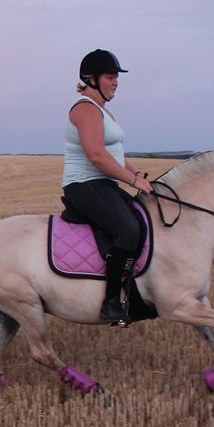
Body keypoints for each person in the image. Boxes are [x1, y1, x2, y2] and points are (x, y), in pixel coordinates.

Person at [61, 48, 152, 325]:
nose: (116, 82)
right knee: (129, 229)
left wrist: (142, 177)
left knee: (143, 220)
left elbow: (115, 157)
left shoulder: (103, 110)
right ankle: (111, 301)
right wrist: (133, 181)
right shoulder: (85, 109)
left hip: (104, 185)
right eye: (110, 77)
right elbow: (98, 156)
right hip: (85, 185)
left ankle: (135, 295)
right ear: (91, 79)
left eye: (116, 77)